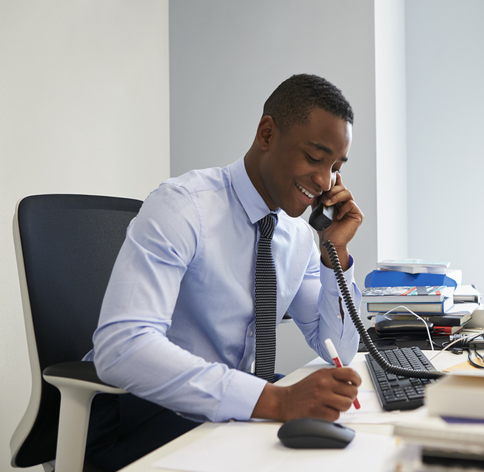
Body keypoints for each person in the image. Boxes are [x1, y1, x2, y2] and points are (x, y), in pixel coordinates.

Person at [84, 74, 363, 470]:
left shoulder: (298, 236)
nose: (324, 181)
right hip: (138, 412)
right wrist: (277, 401)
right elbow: (122, 347)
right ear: (266, 134)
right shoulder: (184, 207)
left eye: (335, 167)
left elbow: (337, 347)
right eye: (315, 158)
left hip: (220, 410)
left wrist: (337, 254)